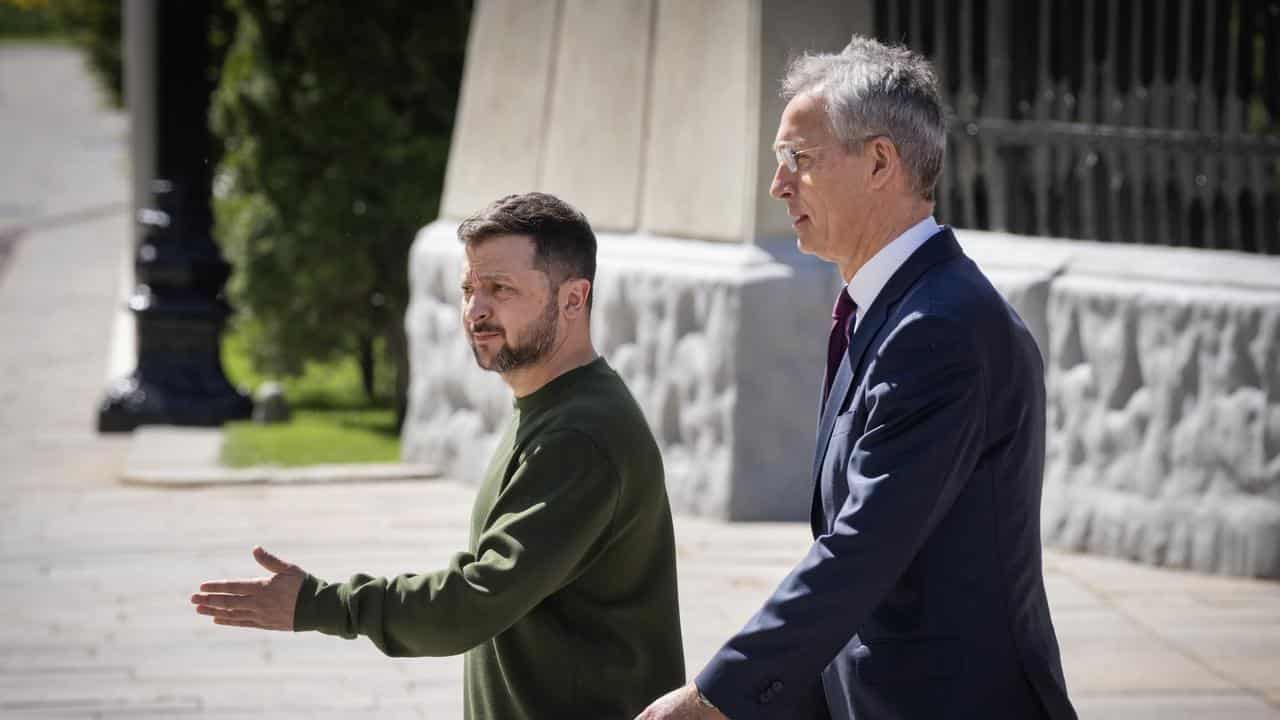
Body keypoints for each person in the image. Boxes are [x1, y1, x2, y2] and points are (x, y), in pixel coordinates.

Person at [637, 36, 1076, 720]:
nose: (778, 184)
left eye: (798, 160)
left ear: (879, 162)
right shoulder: (894, 310)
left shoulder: (940, 329)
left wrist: (712, 698)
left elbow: (861, 550)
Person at [191, 192, 686, 719]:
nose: (476, 310)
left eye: (500, 289)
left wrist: (320, 604)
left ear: (572, 298)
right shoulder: (551, 406)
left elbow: (477, 599)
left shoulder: (580, 434)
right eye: (470, 288)